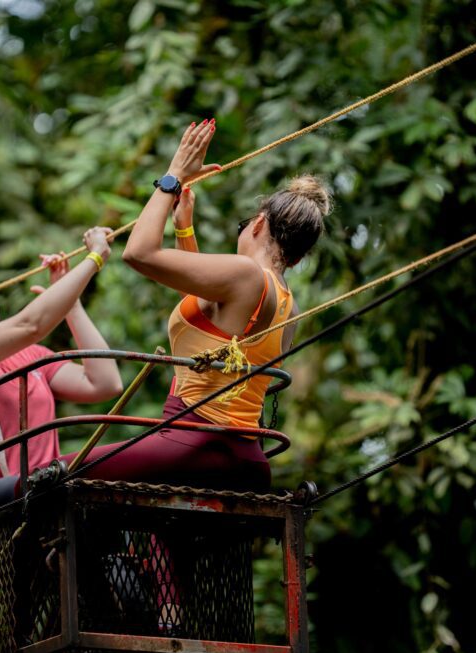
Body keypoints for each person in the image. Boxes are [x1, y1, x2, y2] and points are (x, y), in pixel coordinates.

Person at [64, 117, 332, 491]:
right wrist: (183, 227)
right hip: (244, 459)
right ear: (299, 258)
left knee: (44, 477)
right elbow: (203, 317)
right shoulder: (288, 305)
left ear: (256, 225)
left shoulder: (246, 275)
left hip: (195, 444)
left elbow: (138, 253)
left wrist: (172, 175)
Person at [0, 227, 124, 484]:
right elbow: (30, 326)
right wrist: (94, 259)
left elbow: (105, 383)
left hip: (49, 487)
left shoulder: (29, 355)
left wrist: (71, 303)